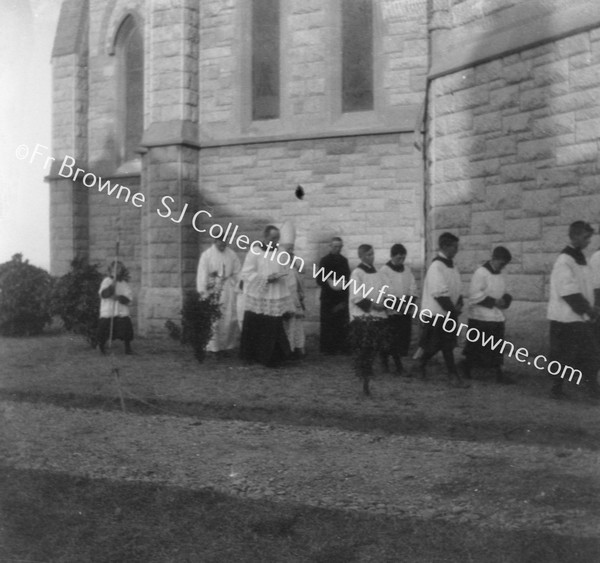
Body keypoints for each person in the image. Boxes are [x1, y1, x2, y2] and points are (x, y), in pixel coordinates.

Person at [547, 221, 600, 400]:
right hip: (565, 316)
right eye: (586, 238)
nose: (588, 242)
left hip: (578, 316)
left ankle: (590, 387)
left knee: (589, 352)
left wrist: (590, 309)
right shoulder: (564, 260)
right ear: (575, 236)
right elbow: (568, 292)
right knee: (565, 354)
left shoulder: (580, 259)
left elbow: (586, 285)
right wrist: (588, 310)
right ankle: (557, 387)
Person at [417, 232, 468, 387]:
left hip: (448, 312)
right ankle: (453, 376)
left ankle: (420, 363)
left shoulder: (452, 266)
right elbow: (439, 294)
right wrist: (452, 312)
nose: (456, 250)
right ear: (445, 246)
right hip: (437, 313)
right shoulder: (436, 267)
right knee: (443, 345)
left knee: (441, 345)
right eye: (454, 247)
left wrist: (459, 302)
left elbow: (456, 288)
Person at [239, 225, 294, 367]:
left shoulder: (281, 252)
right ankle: (256, 356)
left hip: (275, 294)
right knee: (259, 325)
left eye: (277, 238)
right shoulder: (255, 252)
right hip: (259, 295)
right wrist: (265, 279)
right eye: (273, 238)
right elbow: (246, 273)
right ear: (265, 237)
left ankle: (275, 357)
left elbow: (285, 269)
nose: (275, 241)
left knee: (274, 326)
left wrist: (280, 275)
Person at [462, 246, 515, 384]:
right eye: (501, 263)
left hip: (496, 316)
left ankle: (498, 372)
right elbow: (474, 294)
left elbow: (508, 289)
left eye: (505, 264)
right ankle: (467, 370)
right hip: (480, 316)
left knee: (497, 346)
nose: (502, 267)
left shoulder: (502, 273)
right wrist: (493, 301)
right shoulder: (481, 273)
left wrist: (506, 300)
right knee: (476, 347)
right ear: (494, 259)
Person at [349, 244, 388, 395]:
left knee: (373, 349)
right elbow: (356, 296)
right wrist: (373, 306)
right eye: (368, 255)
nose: (372, 257)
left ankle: (369, 376)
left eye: (373, 254)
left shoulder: (377, 273)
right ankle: (363, 380)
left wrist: (383, 302)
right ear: (361, 256)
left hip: (377, 316)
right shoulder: (357, 273)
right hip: (362, 317)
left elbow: (383, 290)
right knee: (364, 350)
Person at [196, 234, 242, 355]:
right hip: (213, 289)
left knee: (229, 318)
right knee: (214, 319)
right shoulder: (206, 255)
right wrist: (203, 293)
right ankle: (213, 348)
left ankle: (227, 346)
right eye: (220, 242)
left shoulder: (231, 254)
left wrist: (239, 285)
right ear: (215, 241)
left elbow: (238, 272)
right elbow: (202, 275)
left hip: (227, 289)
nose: (223, 245)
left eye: (225, 242)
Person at [379, 243, 416, 374]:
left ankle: (398, 362)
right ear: (392, 256)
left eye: (403, 258)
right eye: (398, 258)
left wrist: (409, 303)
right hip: (391, 310)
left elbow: (412, 287)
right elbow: (387, 290)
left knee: (401, 338)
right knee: (390, 338)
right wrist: (399, 306)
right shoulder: (385, 271)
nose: (401, 260)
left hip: (404, 308)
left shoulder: (407, 270)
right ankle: (387, 362)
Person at [317, 237, 350, 354]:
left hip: (341, 296)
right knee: (328, 323)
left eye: (340, 247)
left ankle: (341, 347)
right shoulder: (324, 261)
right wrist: (330, 282)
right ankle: (328, 349)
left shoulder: (344, 261)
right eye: (335, 246)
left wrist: (344, 296)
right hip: (328, 297)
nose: (337, 249)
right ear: (330, 246)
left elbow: (347, 279)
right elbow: (319, 279)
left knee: (341, 323)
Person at [97, 260, 134, 355]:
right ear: (111, 270)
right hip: (108, 310)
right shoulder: (106, 281)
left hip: (121, 311)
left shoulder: (124, 283)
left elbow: (129, 298)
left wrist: (118, 297)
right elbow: (103, 294)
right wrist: (112, 286)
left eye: (120, 268)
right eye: (116, 268)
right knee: (104, 329)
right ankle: (101, 347)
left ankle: (128, 348)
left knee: (126, 328)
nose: (118, 270)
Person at [282, 243, 306, 358]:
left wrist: (300, 296)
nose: (291, 252)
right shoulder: (282, 267)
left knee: (297, 324)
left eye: (292, 249)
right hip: (286, 299)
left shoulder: (295, 266)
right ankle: (288, 350)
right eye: (288, 250)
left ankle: (298, 348)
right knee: (288, 325)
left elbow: (299, 282)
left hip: (295, 298)